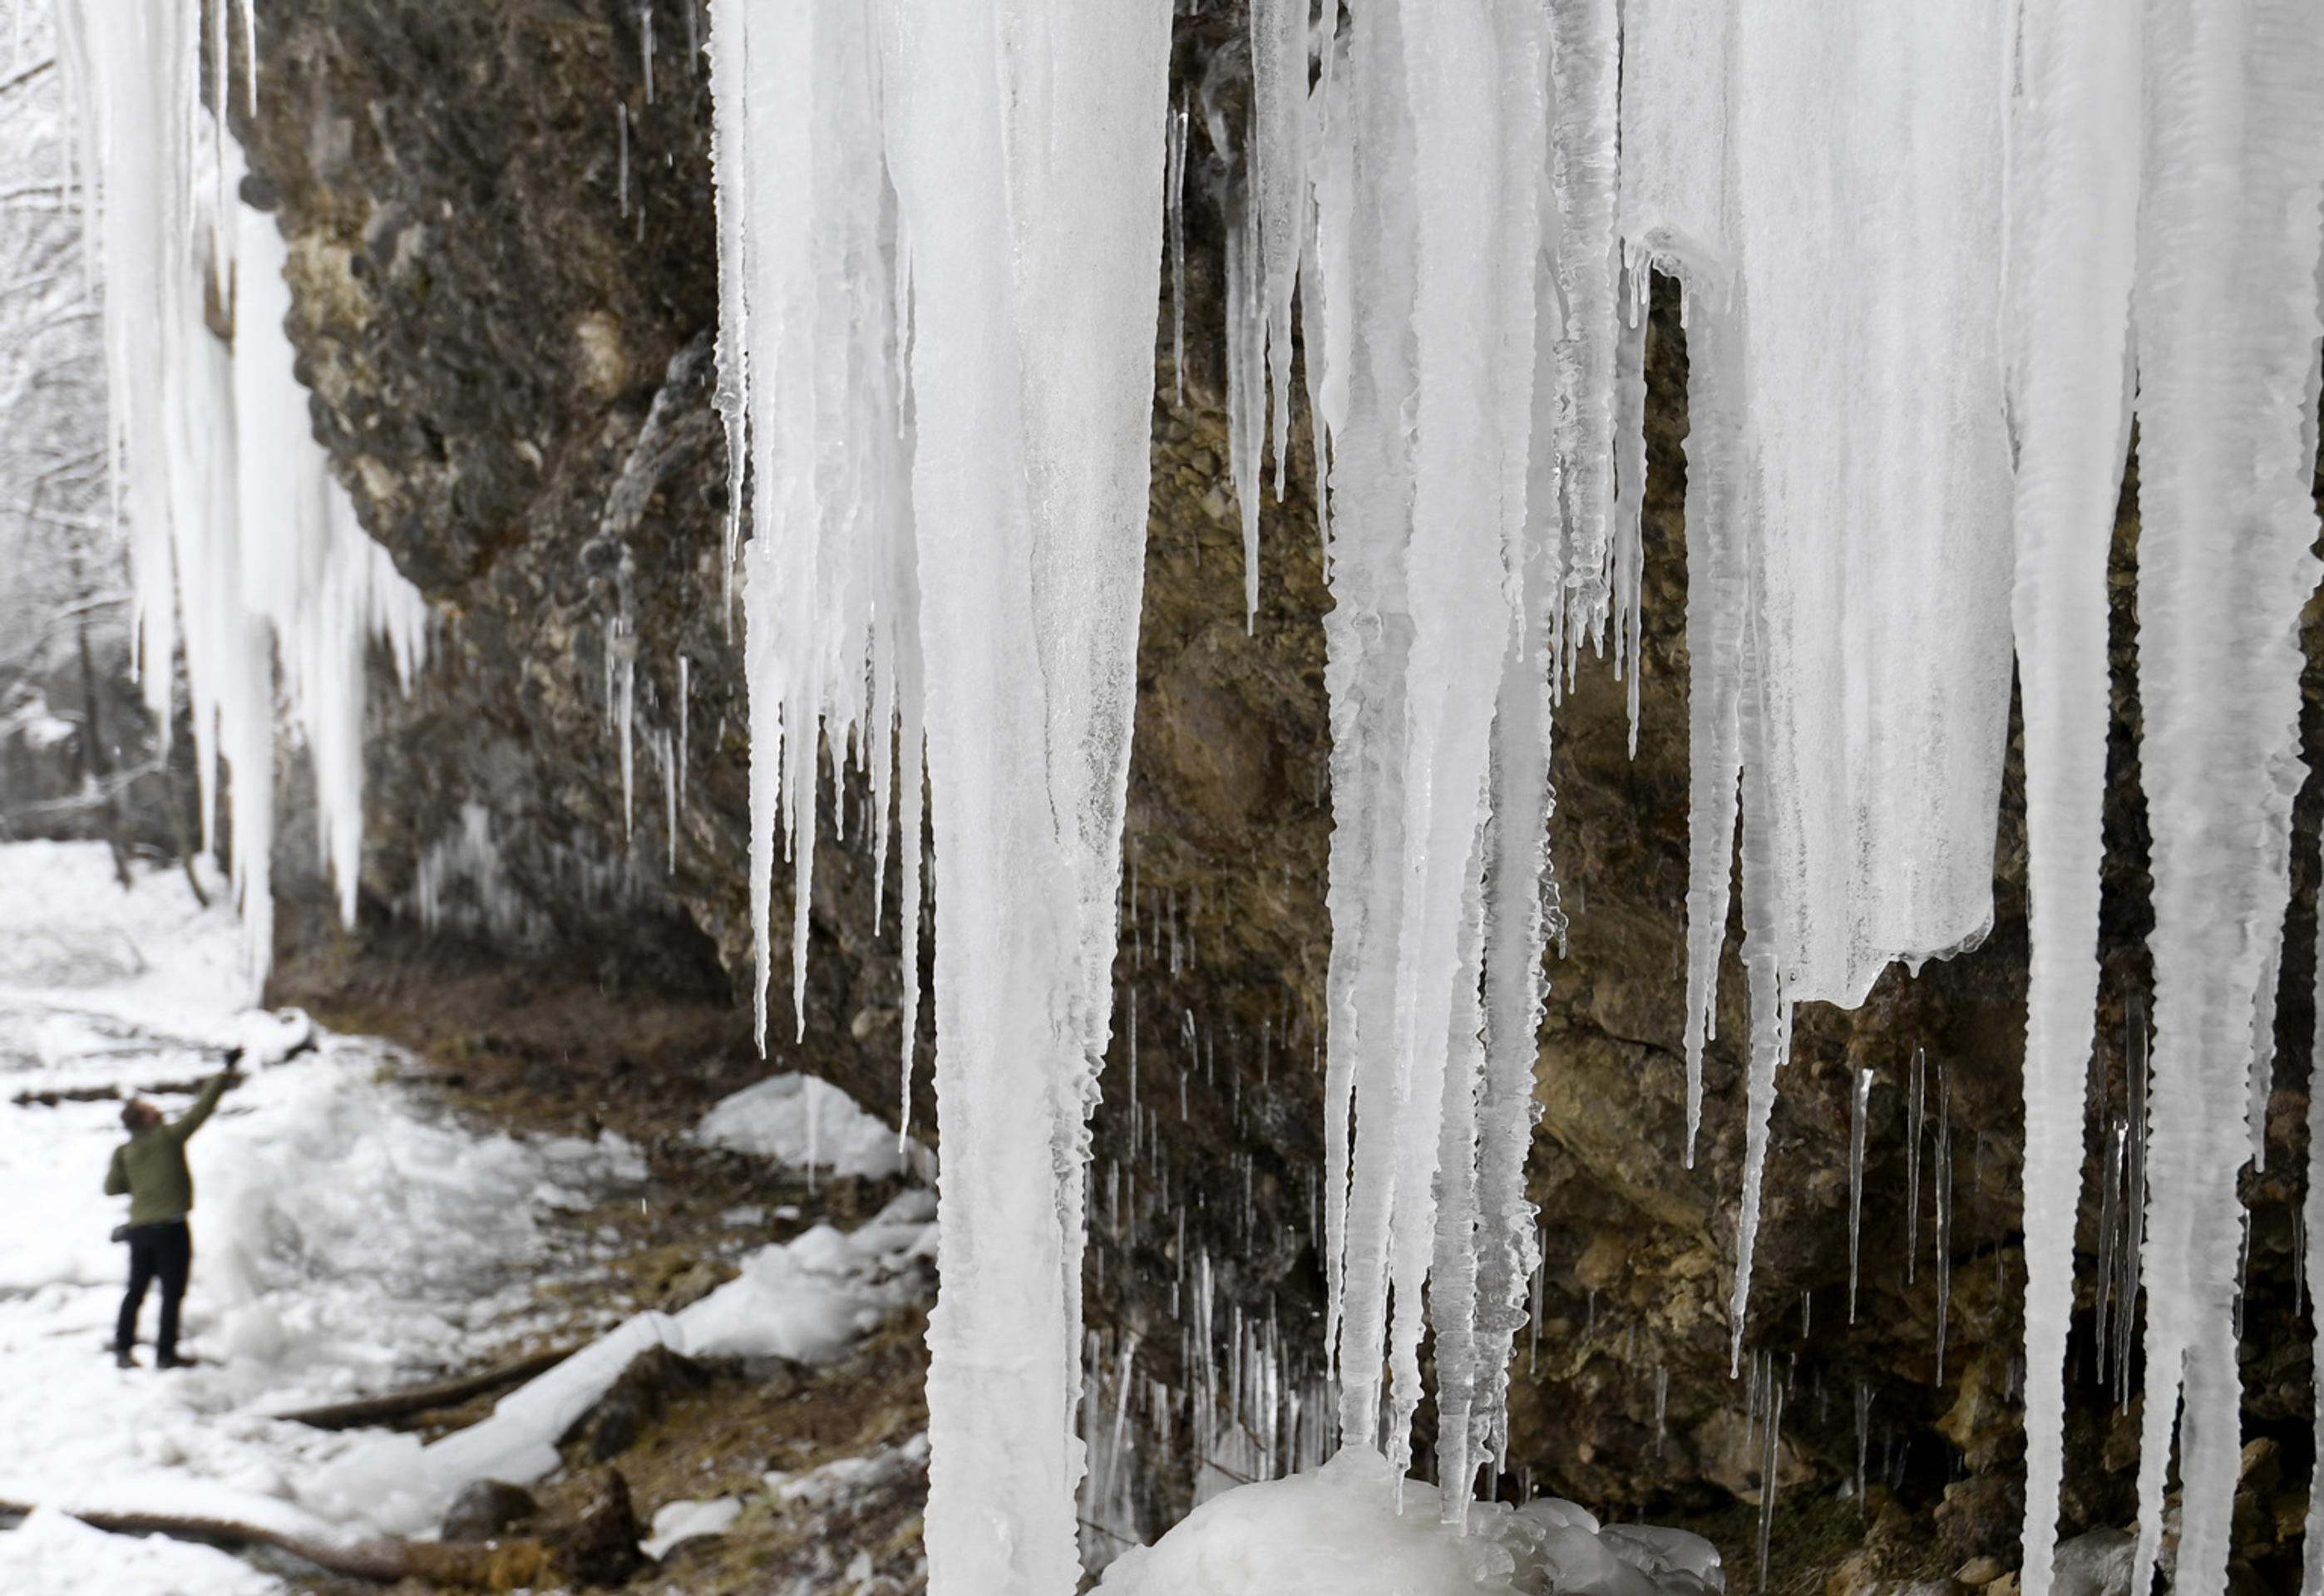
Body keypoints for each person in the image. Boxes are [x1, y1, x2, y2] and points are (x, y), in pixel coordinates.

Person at [106, 1052, 243, 1370]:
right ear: (146, 1119)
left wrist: (141, 1184)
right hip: (170, 1229)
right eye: (149, 1108)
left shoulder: (124, 1152)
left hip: (138, 1231)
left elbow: (112, 1188)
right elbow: (201, 1110)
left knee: (135, 1291)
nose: (156, 1109)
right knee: (171, 1293)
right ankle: (165, 1355)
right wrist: (226, 1072)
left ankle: (123, 1350)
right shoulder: (168, 1139)